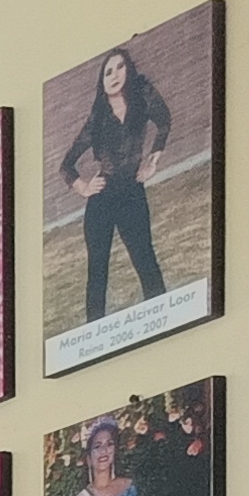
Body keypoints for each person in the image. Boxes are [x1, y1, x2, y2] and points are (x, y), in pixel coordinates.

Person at [65, 45, 173, 324]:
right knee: (97, 271)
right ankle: (93, 333)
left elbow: (164, 120)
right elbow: (66, 165)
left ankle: (162, 322)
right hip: (102, 199)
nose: (114, 75)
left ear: (129, 69)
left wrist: (153, 160)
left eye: (120, 67)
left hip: (132, 193)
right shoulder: (98, 119)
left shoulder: (142, 97)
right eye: (108, 72)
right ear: (101, 82)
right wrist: (84, 187)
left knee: (145, 259)